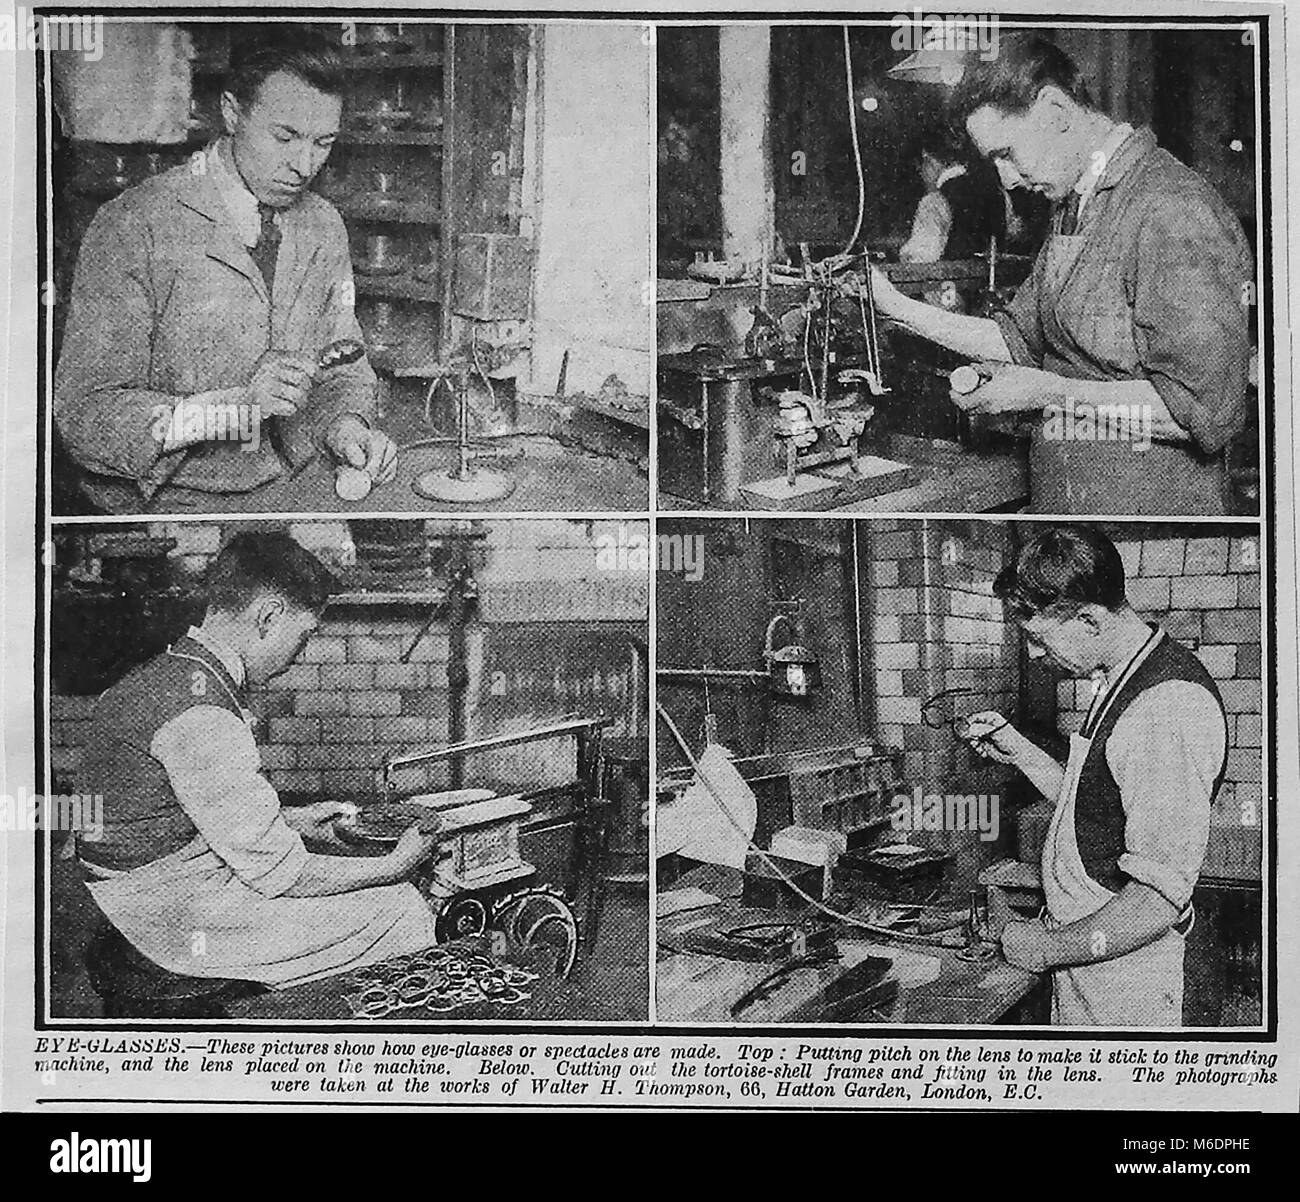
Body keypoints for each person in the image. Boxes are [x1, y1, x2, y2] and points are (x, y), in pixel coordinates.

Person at [867, 34, 1254, 515]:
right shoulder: (1076, 207)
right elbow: (1015, 338)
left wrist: (1047, 391)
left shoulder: (1169, 206)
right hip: (1073, 512)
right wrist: (896, 306)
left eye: (1006, 153)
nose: (1006, 178)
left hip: (1148, 526)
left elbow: (1202, 413)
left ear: (1054, 111)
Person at [55, 27, 398, 514]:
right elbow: (84, 415)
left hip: (292, 491)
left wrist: (347, 428)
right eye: (285, 137)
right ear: (232, 112)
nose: (304, 165)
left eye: (324, 143)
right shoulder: (132, 225)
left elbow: (344, 364)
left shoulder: (324, 226)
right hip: (167, 509)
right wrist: (229, 410)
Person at [75, 532, 441, 988]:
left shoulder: (173, 669)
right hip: (169, 913)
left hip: (141, 883)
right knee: (401, 908)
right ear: (268, 617)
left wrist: (292, 821)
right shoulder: (203, 714)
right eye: (303, 637)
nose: (298, 656)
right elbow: (282, 875)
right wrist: (394, 866)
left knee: (346, 876)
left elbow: (183, 808)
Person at [961, 526, 1227, 1026]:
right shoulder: (1120, 676)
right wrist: (1021, 751)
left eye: (1039, 639)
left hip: (1127, 978)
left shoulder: (1164, 706)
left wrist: (1043, 948)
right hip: (1092, 960)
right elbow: (1094, 810)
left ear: (1088, 619)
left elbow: (1156, 900)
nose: (1035, 654)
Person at [899, 128, 1006, 266]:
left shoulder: (934, 202)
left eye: (920, 170)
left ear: (928, 159)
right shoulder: (999, 194)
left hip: (951, 285)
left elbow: (920, 259)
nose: (922, 177)